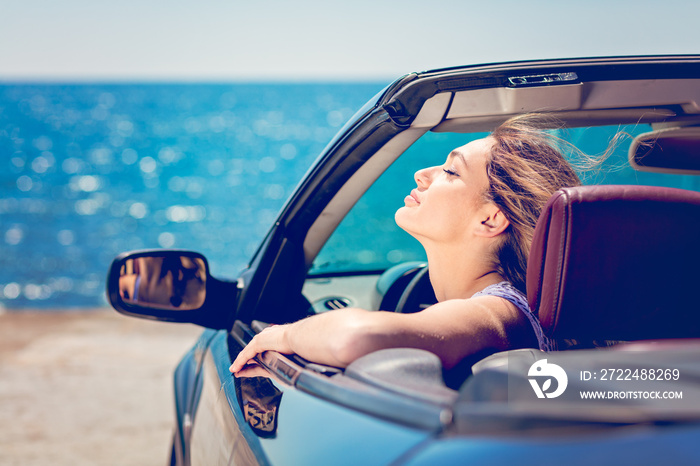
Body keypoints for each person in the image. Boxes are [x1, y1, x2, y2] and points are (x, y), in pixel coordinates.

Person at [230, 114, 581, 378]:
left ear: (489, 219)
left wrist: (286, 336)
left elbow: (356, 338)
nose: (423, 174)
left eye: (450, 171)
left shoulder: (499, 313)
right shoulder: (521, 309)